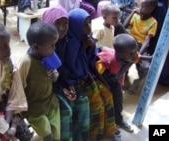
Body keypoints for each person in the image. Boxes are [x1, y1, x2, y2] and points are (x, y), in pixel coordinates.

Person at [64, 8, 119, 141]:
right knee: (97, 103)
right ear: (76, 26)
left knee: (108, 95)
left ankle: (109, 131)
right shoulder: (71, 42)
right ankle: (95, 136)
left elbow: (91, 61)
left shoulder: (86, 38)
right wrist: (83, 49)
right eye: (85, 24)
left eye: (90, 22)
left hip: (89, 75)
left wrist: (90, 47)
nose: (89, 27)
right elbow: (74, 68)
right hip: (76, 80)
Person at [42, 6, 90, 141]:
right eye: (57, 24)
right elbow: (47, 76)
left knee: (83, 102)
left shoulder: (64, 41)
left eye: (65, 24)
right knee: (67, 111)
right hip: (47, 89)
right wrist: (62, 88)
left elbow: (62, 68)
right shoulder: (42, 46)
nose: (62, 28)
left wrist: (69, 85)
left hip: (61, 83)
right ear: (48, 24)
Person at [95, 33, 152, 133]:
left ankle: (119, 120)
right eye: (131, 53)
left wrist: (151, 58)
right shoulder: (109, 60)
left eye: (135, 51)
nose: (134, 55)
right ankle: (109, 126)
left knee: (118, 100)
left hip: (114, 81)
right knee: (105, 104)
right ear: (120, 54)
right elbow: (97, 72)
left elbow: (138, 57)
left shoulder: (131, 56)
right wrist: (105, 86)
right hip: (101, 82)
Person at [18, 21, 61, 141]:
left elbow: (55, 74)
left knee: (56, 136)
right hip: (35, 109)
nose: (54, 48)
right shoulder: (26, 62)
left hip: (51, 103)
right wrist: (18, 112)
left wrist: (54, 76)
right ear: (36, 47)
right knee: (48, 137)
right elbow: (18, 87)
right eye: (51, 45)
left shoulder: (49, 54)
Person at [123, 0, 158, 94]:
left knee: (145, 67)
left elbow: (147, 40)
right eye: (140, 6)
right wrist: (132, 12)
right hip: (130, 42)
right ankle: (125, 78)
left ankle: (137, 82)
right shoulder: (135, 15)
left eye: (144, 7)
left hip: (141, 45)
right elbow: (124, 26)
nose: (140, 8)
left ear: (151, 9)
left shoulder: (153, 22)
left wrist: (139, 53)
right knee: (123, 61)